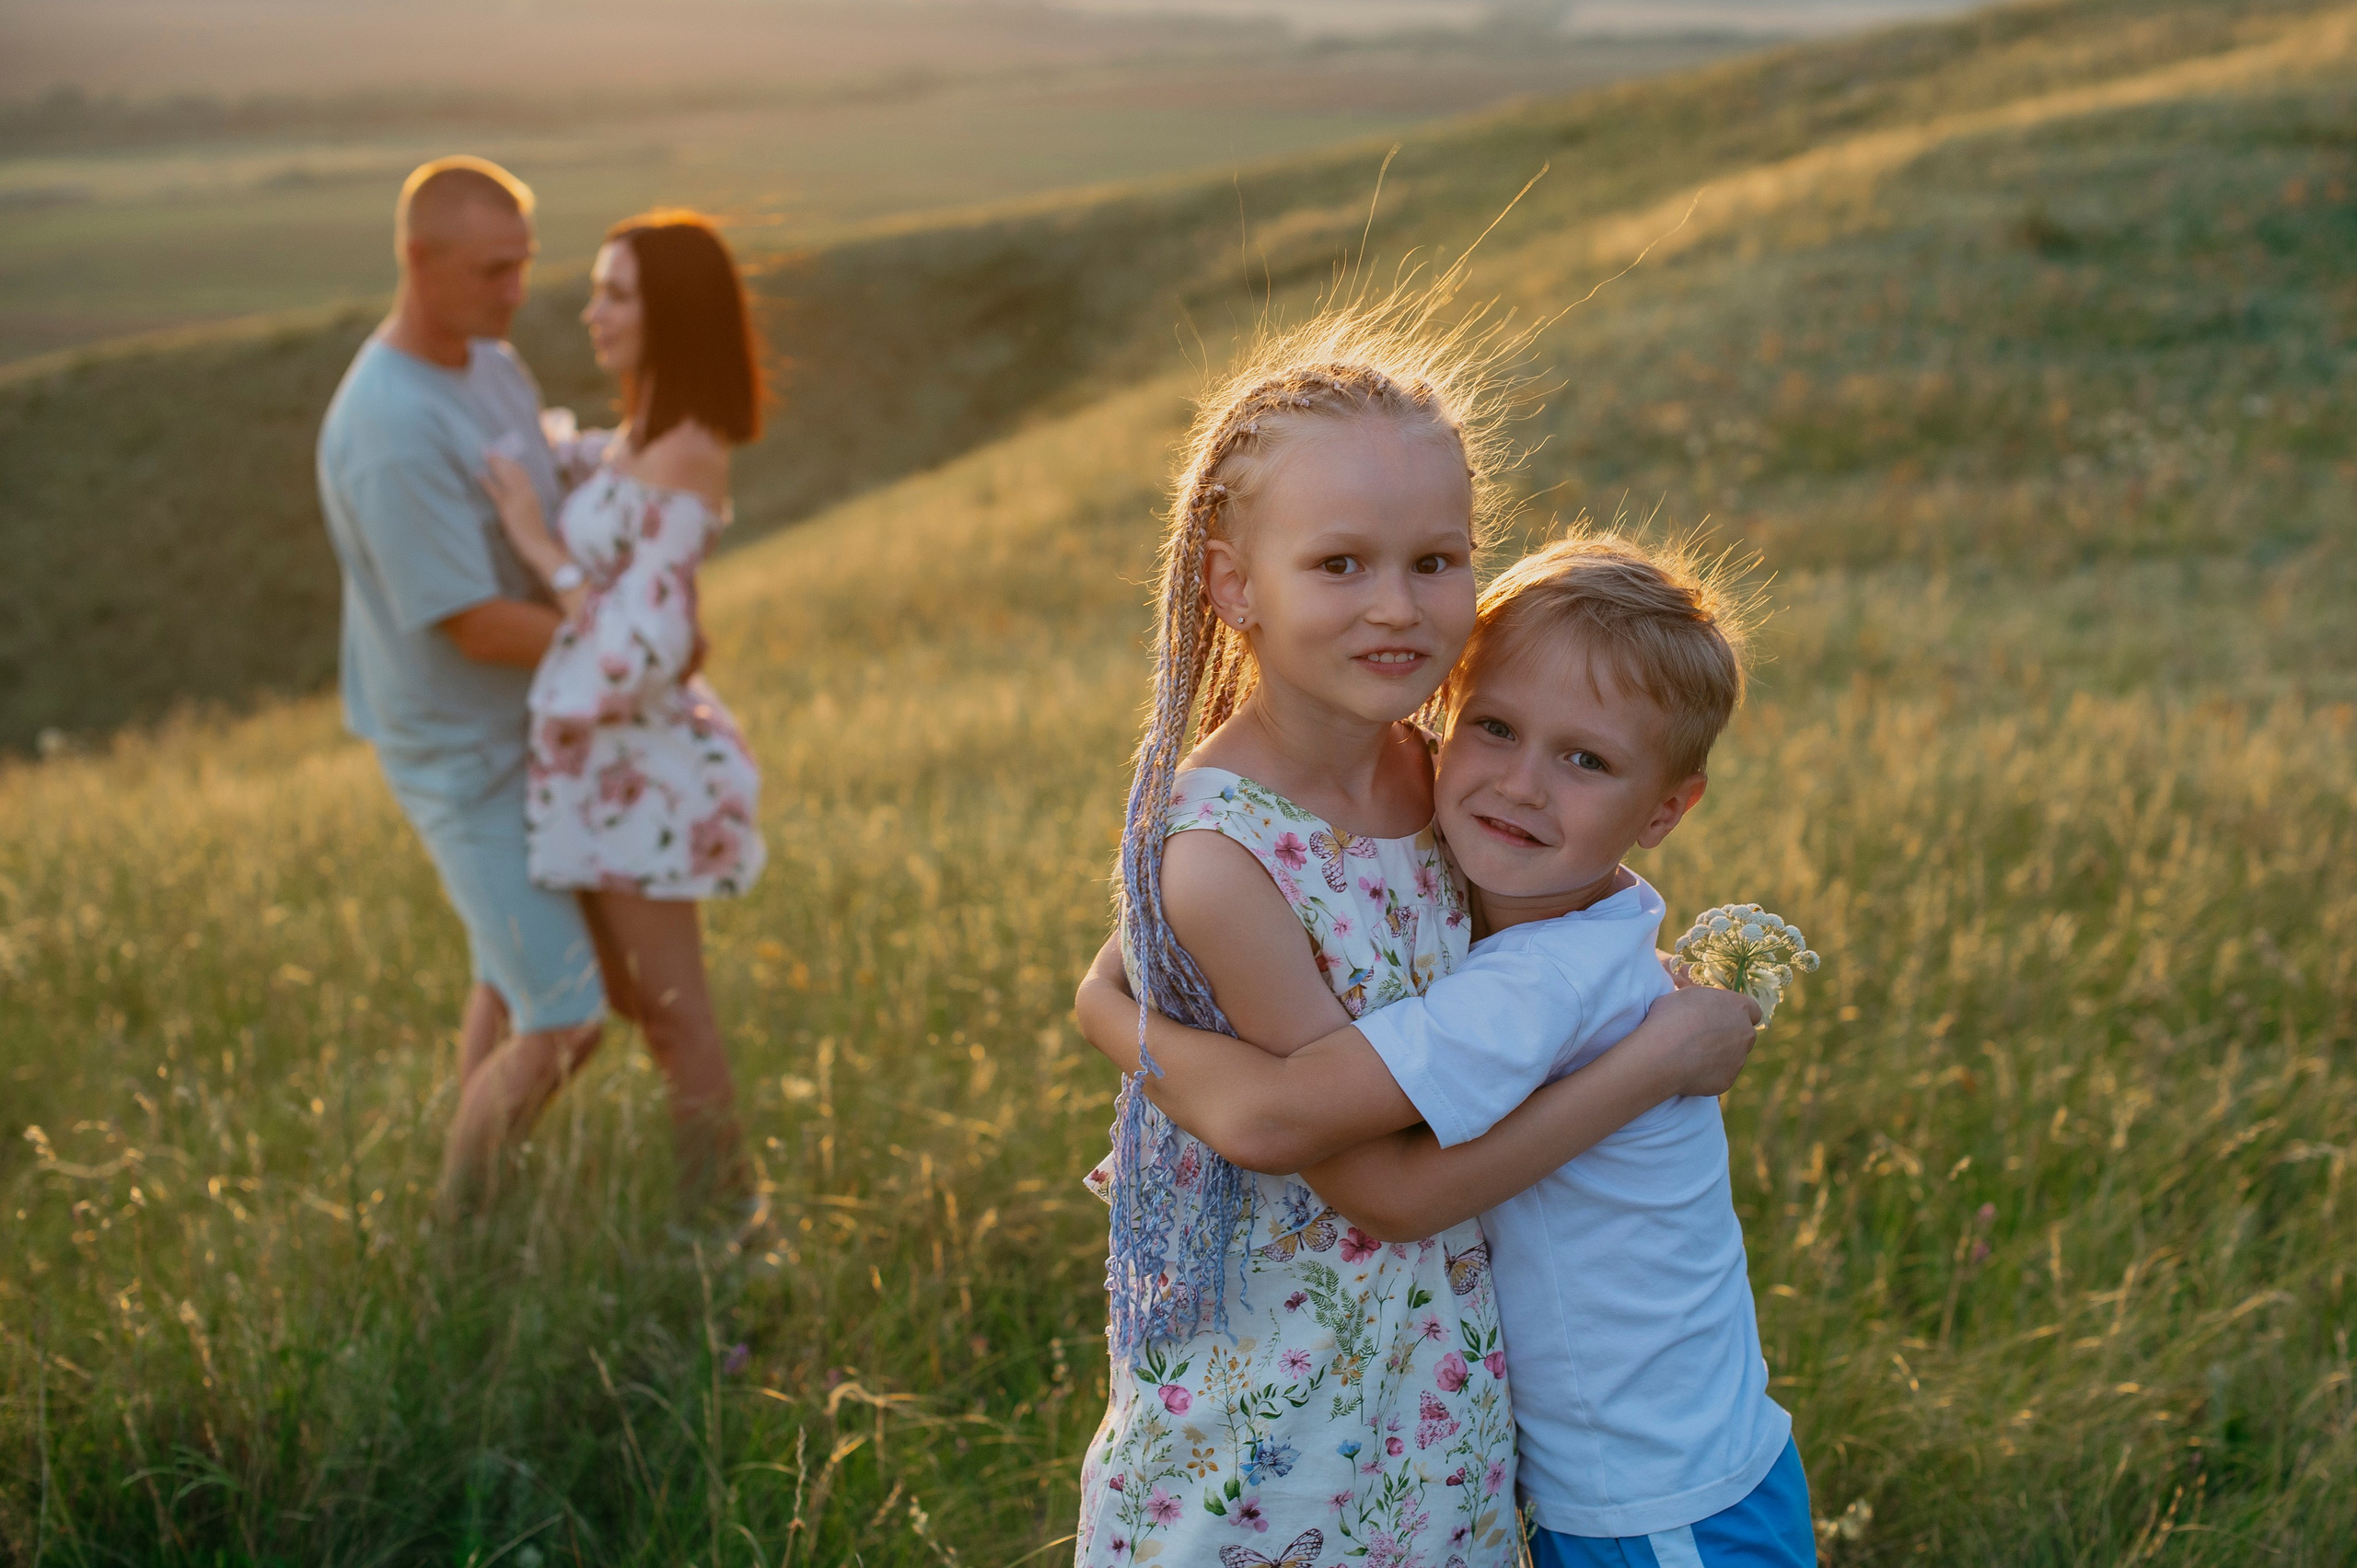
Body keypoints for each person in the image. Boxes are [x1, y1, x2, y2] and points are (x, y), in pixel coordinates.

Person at [1066, 290, 1762, 1566]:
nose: (1397, 605)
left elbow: (1562, 928)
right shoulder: (1227, 857)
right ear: (1234, 583)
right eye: (1341, 564)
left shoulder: (1439, 771)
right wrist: (1106, 1009)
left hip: (1442, 1377)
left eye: (1434, 561)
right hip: (1290, 1404)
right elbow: (1364, 1175)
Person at [317, 157, 608, 1209]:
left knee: (508, 970)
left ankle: (478, 1173)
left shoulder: (486, 358)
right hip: (459, 746)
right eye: (492, 270)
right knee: (568, 1010)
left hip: (523, 726)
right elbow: (476, 624)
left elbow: (539, 474)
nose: (514, 292)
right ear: (417, 258)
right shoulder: (388, 426)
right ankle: (459, 1228)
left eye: (523, 265)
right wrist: (626, 652)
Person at [478, 210, 766, 1205]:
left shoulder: (688, 448)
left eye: (616, 292)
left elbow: (638, 649)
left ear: (669, 313)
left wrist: (534, 539)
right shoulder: (642, 438)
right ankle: (472, 1185)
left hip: (634, 776)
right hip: (589, 777)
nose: (591, 309)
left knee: (673, 1013)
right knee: (570, 996)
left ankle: (728, 1215)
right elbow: (609, 496)